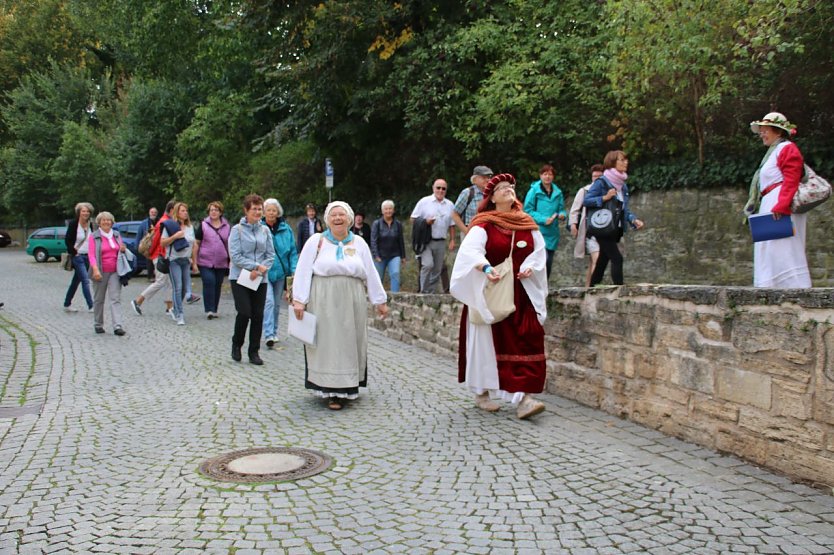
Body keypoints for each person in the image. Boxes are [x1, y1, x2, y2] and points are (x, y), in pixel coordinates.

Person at [450, 173, 548, 419]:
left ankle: (523, 398)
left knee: (526, 340)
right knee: (487, 344)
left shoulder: (526, 222)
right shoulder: (484, 223)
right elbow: (470, 251)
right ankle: (482, 393)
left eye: (510, 187)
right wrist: (484, 267)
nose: (508, 190)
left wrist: (531, 267)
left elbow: (539, 252)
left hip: (520, 294)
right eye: (502, 188)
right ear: (491, 198)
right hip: (491, 293)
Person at [292, 201, 388, 410]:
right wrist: (299, 299)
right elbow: (303, 269)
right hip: (323, 297)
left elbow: (370, 272)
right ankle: (330, 390)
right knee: (326, 342)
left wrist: (379, 300)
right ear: (327, 219)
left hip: (352, 298)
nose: (337, 218)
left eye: (341, 215)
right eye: (333, 215)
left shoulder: (359, 243)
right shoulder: (316, 242)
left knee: (348, 341)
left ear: (349, 219)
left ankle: (346, 387)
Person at [745, 112, 811, 288]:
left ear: (778, 132)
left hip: (781, 205)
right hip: (771, 203)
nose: (762, 134)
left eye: (765, 130)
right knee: (769, 247)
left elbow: (791, 178)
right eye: (761, 130)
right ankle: (770, 286)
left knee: (784, 247)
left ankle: (794, 287)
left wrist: (782, 205)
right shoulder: (773, 152)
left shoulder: (787, 148)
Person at [583, 151, 645, 285]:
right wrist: (604, 198)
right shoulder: (602, 182)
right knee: (617, 258)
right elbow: (586, 200)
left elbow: (623, 209)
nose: (626, 162)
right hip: (602, 226)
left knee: (603, 260)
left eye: (626, 160)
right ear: (612, 162)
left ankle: (591, 289)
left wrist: (633, 219)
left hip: (614, 228)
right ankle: (619, 292)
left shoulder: (622, 186)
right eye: (622, 160)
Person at [229, 194, 275, 365]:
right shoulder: (237, 230)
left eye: (259, 209)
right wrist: (254, 267)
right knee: (244, 312)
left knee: (258, 314)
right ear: (246, 211)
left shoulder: (265, 230)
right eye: (254, 209)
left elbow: (270, 254)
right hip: (240, 277)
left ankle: (253, 351)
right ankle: (236, 343)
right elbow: (235, 256)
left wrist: (262, 268)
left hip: (260, 278)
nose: (257, 212)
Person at [262, 198, 298, 347]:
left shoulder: (286, 229)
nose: (271, 213)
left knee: (276, 304)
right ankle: (268, 333)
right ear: (264, 212)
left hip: (281, 273)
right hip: (264, 272)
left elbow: (292, 252)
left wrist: (294, 271)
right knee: (268, 302)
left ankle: (274, 332)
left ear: (278, 213)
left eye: (274, 210)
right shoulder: (259, 228)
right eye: (268, 210)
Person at [410, 179, 456, 293]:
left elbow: (452, 224)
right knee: (428, 264)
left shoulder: (450, 204)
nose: (440, 190)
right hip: (426, 240)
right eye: (438, 187)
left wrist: (452, 240)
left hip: (441, 240)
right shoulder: (424, 201)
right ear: (433, 188)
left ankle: (430, 293)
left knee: (437, 269)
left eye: (443, 188)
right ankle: (423, 291)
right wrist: (426, 222)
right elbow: (412, 219)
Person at [131, 201, 174, 317]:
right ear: (171, 210)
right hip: (160, 256)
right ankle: (138, 300)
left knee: (169, 282)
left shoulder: (165, 221)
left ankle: (169, 308)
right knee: (161, 281)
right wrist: (150, 254)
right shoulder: (164, 222)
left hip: (162, 256)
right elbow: (156, 240)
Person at [523, 164, 567, 279]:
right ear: (540, 175)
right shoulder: (533, 191)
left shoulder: (558, 192)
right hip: (538, 231)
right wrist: (543, 220)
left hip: (552, 233)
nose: (547, 177)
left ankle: (545, 289)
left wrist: (562, 215)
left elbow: (561, 209)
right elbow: (528, 210)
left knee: (549, 262)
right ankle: (536, 287)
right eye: (545, 174)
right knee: (541, 261)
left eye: (550, 174)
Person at [87, 211, 128, 336]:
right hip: (100, 270)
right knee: (99, 299)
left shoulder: (116, 235)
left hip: (115, 271)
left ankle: (117, 326)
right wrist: (95, 269)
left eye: (108, 220)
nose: (106, 222)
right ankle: (98, 324)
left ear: (112, 222)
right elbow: (91, 255)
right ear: (99, 222)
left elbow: (120, 249)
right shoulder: (94, 237)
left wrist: (123, 249)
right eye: (103, 220)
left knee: (115, 298)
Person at [160, 202, 197, 326]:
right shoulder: (170, 226)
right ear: (177, 212)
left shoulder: (190, 227)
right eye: (182, 210)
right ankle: (180, 315)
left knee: (185, 288)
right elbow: (163, 243)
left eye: (186, 210)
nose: (185, 212)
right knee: (178, 287)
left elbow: (193, 245)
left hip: (186, 260)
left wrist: (193, 261)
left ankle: (175, 309)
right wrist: (175, 236)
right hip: (174, 260)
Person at [569, 164, 605, 287]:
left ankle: (587, 288)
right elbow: (575, 210)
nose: (596, 179)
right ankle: (594, 288)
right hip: (589, 231)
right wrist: (573, 224)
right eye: (594, 176)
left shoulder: (609, 192)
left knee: (593, 261)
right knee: (597, 258)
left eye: (599, 176)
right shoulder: (584, 191)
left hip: (604, 231)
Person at [193, 201, 230, 319]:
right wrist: (194, 261)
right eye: (211, 210)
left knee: (218, 284)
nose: (213, 212)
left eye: (216, 210)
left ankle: (214, 308)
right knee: (209, 282)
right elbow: (197, 243)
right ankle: (208, 309)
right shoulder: (203, 225)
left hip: (221, 261)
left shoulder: (227, 226)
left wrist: (231, 259)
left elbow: (229, 244)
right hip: (205, 260)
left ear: (220, 212)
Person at [63, 202, 95, 313]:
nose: (85, 213)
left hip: (88, 256)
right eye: (83, 211)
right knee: (86, 280)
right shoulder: (73, 224)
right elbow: (67, 240)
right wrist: (74, 252)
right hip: (78, 256)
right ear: (79, 212)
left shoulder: (90, 224)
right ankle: (91, 305)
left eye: (87, 211)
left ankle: (67, 303)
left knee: (76, 281)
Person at [370, 199, 406, 293]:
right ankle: (378, 298)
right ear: (382, 211)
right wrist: (376, 255)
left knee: (395, 274)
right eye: (386, 209)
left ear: (393, 210)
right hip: (380, 256)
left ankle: (395, 297)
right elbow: (373, 241)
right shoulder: (377, 224)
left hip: (394, 255)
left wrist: (403, 256)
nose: (388, 211)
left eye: (390, 209)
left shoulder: (398, 224)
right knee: (379, 278)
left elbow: (400, 240)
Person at [451, 165, 493, 236]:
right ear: (474, 180)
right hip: (470, 232)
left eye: (489, 177)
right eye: (483, 177)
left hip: (488, 233)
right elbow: (454, 215)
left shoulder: (492, 194)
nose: (488, 180)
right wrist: (466, 232)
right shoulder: (467, 193)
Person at [137, 206, 158, 281]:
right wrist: (138, 246)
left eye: (155, 212)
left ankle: (157, 276)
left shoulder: (159, 222)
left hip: (157, 245)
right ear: (149, 213)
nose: (153, 214)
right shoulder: (144, 223)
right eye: (152, 212)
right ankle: (150, 276)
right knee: (149, 261)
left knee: (157, 261)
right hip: (147, 245)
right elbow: (139, 234)